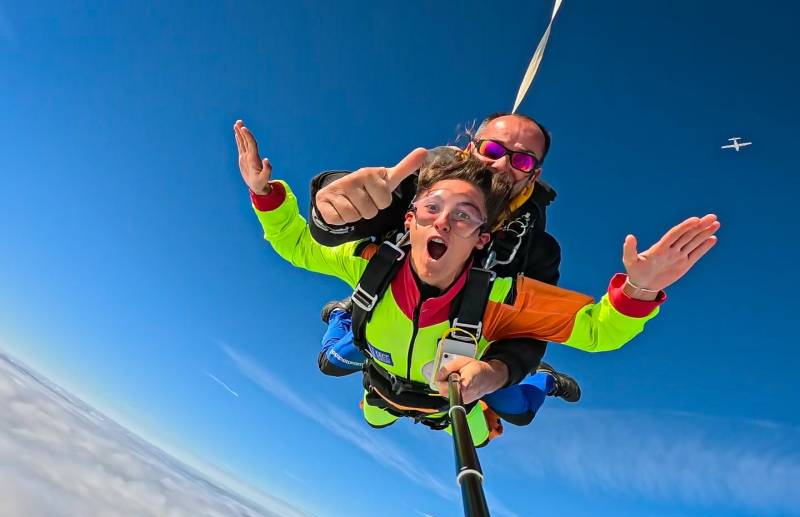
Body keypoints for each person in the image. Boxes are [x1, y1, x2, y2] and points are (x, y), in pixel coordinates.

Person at [234, 120, 719, 445]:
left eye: (465, 217)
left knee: (509, 414)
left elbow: (587, 331)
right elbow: (311, 236)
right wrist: (286, 197)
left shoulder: (512, 282)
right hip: (382, 380)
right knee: (352, 387)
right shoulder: (377, 254)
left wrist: (640, 289)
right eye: (432, 209)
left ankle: (541, 383)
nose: (444, 223)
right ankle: (347, 315)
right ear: (408, 218)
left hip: (458, 389)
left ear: (484, 237)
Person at [311, 112, 577, 402]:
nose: (501, 164)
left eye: (523, 160)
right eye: (492, 149)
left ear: (533, 175)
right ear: (471, 148)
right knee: (332, 364)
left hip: (466, 360)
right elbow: (347, 222)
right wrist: (332, 208)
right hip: (391, 332)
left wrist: (496, 371)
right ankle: (342, 313)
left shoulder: (537, 250)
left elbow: (532, 330)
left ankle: (543, 379)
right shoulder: (425, 193)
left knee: (519, 410)